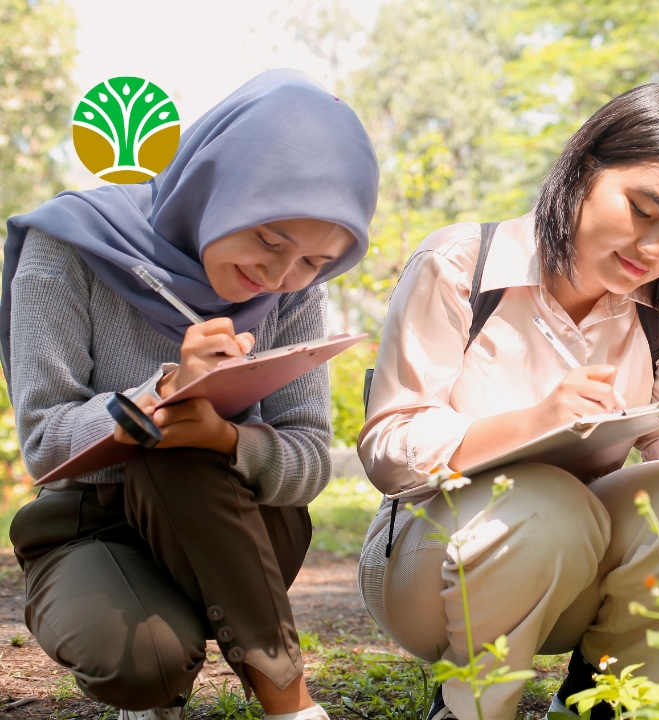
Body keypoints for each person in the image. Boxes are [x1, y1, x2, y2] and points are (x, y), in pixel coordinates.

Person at [358, 82, 659, 720]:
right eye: (642, 210)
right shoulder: (461, 264)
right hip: (431, 570)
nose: (654, 251)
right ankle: (469, 708)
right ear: (583, 167)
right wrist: (538, 421)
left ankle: (611, 703)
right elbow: (388, 449)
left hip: (576, 572)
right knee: (545, 501)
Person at [2, 70, 378, 720]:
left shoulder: (294, 292)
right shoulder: (70, 247)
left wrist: (227, 439)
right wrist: (163, 390)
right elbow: (44, 443)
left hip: (237, 521)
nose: (280, 275)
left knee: (182, 449)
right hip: (89, 527)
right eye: (269, 240)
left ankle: (289, 703)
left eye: (316, 263)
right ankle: (167, 651)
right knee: (146, 661)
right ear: (215, 185)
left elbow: (311, 458)